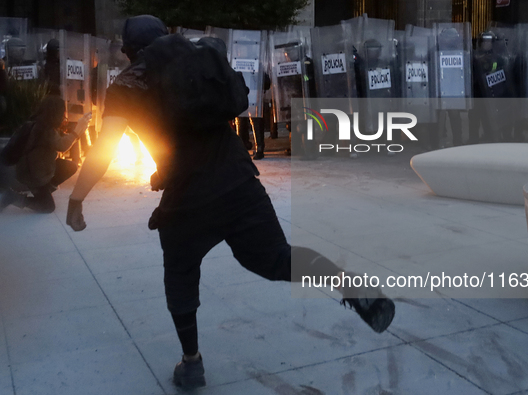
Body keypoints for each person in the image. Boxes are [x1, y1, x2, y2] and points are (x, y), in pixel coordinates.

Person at [65, 15, 395, 390]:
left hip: (187, 199)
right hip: (238, 183)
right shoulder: (199, 59)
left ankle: (191, 363)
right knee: (276, 258)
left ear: (129, 51)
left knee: (180, 274)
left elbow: (105, 148)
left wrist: (77, 198)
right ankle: (347, 283)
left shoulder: (128, 83)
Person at [0, 96, 91, 213]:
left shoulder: (36, 124)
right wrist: (78, 130)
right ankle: (14, 198)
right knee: (48, 207)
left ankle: (44, 190)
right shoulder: (45, 130)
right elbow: (62, 146)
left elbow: (59, 140)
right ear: (56, 112)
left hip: (32, 169)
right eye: (63, 112)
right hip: (35, 176)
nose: (65, 115)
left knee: (71, 166)